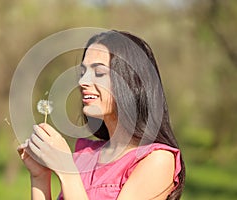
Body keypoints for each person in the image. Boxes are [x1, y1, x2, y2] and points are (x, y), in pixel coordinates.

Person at [17, 30, 185, 200]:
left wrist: (66, 171)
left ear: (131, 82)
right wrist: (39, 177)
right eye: (83, 72)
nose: (83, 82)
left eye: (99, 73)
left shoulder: (157, 160)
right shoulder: (85, 155)